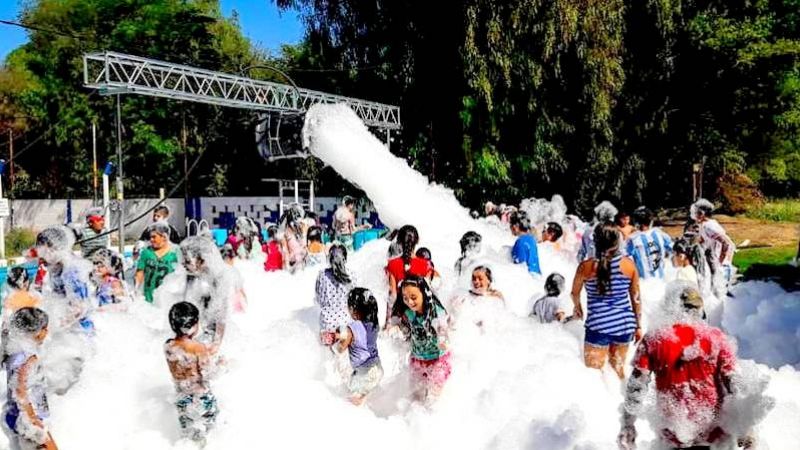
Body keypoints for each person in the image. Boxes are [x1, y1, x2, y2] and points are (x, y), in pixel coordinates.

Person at [618, 283, 750, 450]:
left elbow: (636, 387)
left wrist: (627, 425)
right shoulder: (717, 338)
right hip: (715, 437)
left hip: (673, 436)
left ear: (670, 307)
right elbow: (735, 384)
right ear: (700, 309)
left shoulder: (655, 339)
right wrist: (747, 427)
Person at [571, 223, 641, 378]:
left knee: (594, 376)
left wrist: (578, 307)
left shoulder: (585, 267)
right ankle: (621, 393)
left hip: (598, 326)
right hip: (624, 326)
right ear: (618, 242)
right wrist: (638, 326)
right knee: (618, 372)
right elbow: (636, 299)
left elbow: (574, 293)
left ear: (595, 242)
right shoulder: (629, 266)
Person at [2, 308, 58, 450]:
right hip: (28, 420)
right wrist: (34, 420)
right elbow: (21, 392)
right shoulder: (29, 357)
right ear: (36, 331)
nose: (47, 332)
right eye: (44, 328)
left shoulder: (15, 352)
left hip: (14, 415)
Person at [164, 302, 218, 444]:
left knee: (188, 434)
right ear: (193, 325)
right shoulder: (198, 348)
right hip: (201, 398)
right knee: (207, 432)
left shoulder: (168, 346)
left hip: (182, 398)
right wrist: (221, 364)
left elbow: (185, 361)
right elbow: (209, 373)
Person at [400, 276, 451, 404]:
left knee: (433, 399)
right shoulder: (409, 314)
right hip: (418, 360)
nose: (409, 302)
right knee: (416, 397)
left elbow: (444, 332)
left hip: (438, 360)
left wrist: (443, 340)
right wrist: (398, 331)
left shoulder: (437, 313)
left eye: (413, 297)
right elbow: (405, 331)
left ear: (424, 293)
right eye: (405, 298)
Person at [179, 236, 233, 354]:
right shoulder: (192, 274)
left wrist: (216, 345)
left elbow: (221, 314)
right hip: (199, 331)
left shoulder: (218, 277)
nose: (182, 263)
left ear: (202, 260)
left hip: (215, 334)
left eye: (187, 261)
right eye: (182, 260)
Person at [332, 288, 383, 405]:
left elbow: (341, 347)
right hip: (376, 368)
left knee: (353, 401)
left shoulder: (353, 327)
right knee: (368, 398)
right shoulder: (374, 324)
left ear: (353, 309)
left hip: (364, 373)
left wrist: (334, 345)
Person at [385, 225, 433, 326]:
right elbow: (429, 291)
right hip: (420, 312)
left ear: (399, 242)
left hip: (401, 313)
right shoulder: (426, 265)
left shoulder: (392, 264)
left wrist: (388, 321)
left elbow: (393, 295)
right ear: (418, 240)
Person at [691, 199, 736, 298]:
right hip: (712, 262)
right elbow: (703, 240)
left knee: (720, 293)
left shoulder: (709, 226)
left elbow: (727, 243)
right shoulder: (704, 225)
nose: (693, 215)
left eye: (695, 212)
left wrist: (722, 261)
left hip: (719, 264)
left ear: (702, 214)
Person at [314, 244, 356, 345]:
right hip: (346, 323)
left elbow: (318, 300)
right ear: (345, 259)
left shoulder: (322, 275)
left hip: (327, 323)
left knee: (325, 353)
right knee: (343, 352)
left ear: (329, 259)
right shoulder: (352, 275)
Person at [135, 222, 179, 304]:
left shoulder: (175, 253)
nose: (151, 240)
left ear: (164, 237)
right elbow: (140, 272)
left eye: (154, 237)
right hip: (148, 299)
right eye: (150, 237)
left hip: (168, 300)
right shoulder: (146, 252)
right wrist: (136, 290)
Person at [625, 207, 674, 280]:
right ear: (651, 220)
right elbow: (673, 249)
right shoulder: (660, 234)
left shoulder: (632, 240)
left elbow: (625, 258)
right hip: (661, 280)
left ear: (636, 222)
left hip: (644, 282)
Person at [279, 205, 308, 273]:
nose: (300, 221)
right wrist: (288, 269)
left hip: (304, 265)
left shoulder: (304, 228)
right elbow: (285, 252)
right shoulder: (286, 233)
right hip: (293, 267)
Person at [220, 244, 247, 313]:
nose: (233, 260)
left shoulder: (219, 270)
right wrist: (245, 299)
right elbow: (240, 288)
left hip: (223, 303)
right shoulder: (233, 271)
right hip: (234, 301)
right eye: (232, 258)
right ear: (228, 259)